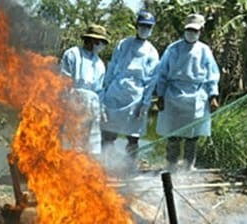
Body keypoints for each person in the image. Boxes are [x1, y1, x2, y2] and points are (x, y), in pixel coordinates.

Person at [155, 13, 220, 171]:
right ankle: (171, 165)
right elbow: (162, 73)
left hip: (196, 96)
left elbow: (212, 75)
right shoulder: (173, 48)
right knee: (173, 134)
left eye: (195, 30)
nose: (191, 33)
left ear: (200, 31)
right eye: (189, 30)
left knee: (193, 135)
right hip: (174, 95)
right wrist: (160, 94)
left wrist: (213, 96)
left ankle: (188, 165)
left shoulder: (204, 50)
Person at [100, 10, 159, 164]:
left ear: (152, 28)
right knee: (108, 132)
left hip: (136, 95)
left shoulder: (152, 51)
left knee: (133, 136)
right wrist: (105, 89)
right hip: (116, 90)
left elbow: (152, 79)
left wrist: (145, 103)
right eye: (142, 25)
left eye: (148, 27)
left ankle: (129, 167)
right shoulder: (124, 43)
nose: (144, 29)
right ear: (136, 26)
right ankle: (105, 163)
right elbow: (112, 66)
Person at [60, 24, 109, 156]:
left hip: (93, 105)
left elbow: (100, 90)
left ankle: (87, 172)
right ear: (92, 40)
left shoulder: (99, 64)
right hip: (74, 100)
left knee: (91, 144)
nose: (101, 45)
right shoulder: (72, 54)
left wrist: (102, 109)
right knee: (72, 141)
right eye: (99, 42)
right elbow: (64, 80)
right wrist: (65, 102)